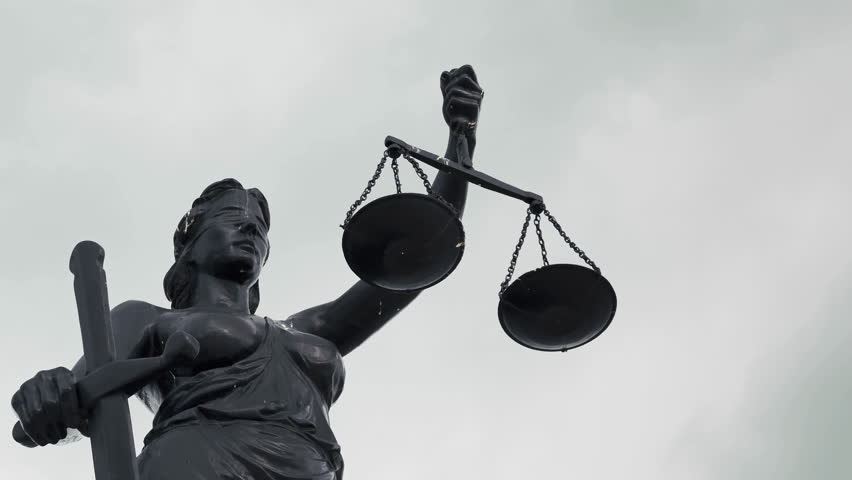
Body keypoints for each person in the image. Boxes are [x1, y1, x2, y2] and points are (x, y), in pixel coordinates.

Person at [10, 65, 483, 479]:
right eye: (232, 219)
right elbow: (81, 397)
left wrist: (461, 138)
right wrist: (50, 392)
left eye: (258, 228)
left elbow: (421, 255)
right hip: (194, 465)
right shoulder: (147, 318)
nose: (251, 230)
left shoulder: (310, 328)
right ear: (188, 245)